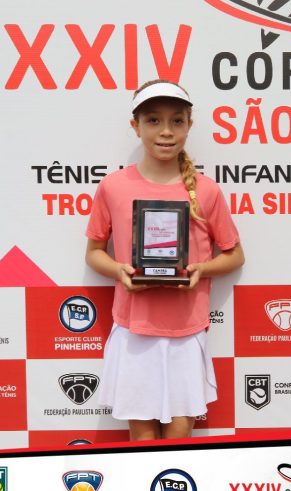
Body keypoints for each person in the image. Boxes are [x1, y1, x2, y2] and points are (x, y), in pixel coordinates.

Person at [85, 79, 244, 441]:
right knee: (141, 435)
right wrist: (120, 271)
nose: (166, 131)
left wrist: (201, 269)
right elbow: (94, 253)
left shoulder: (206, 189)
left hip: (186, 330)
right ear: (136, 126)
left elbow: (234, 254)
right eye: (153, 120)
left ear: (190, 125)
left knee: (180, 433)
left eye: (177, 121)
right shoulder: (113, 186)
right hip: (134, 330)